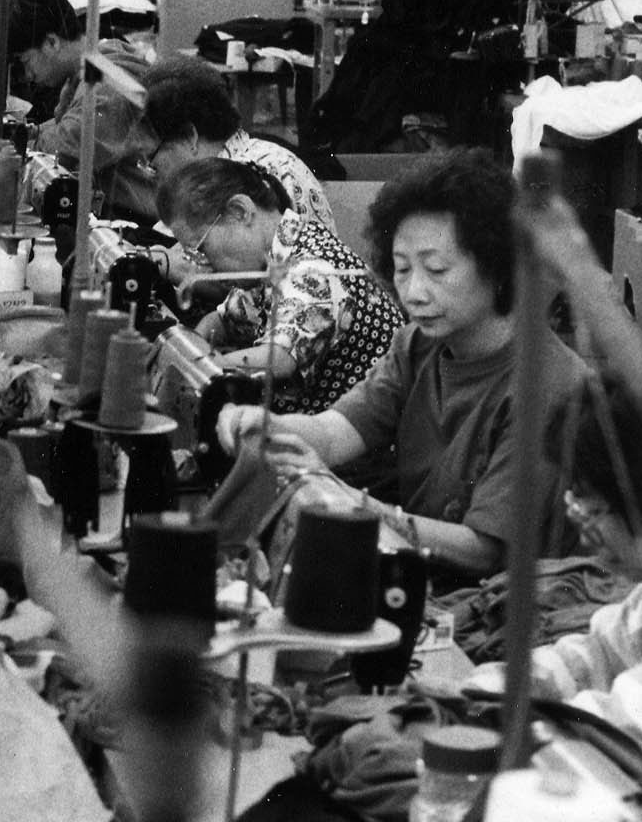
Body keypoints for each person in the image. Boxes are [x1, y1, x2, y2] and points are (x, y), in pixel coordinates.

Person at [216, 151, 587, 577]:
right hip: (433, 576)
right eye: (402, 270)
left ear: (498, 266)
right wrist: (267, 427)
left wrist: (357, 505)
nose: (413, 292)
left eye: (435, 270)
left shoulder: (548, 388)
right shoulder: (420, 343)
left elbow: (482, 550)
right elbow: (336, 434)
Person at [160, 155, 403, 413]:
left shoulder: (313, 268)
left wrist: (189, 364)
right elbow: (222, 321)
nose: (203, 263)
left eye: (200, 248)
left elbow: (278, 359)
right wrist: (194, 343)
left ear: (239, 211)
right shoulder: (271, 262)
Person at [141, 63, 332, 226]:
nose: (150, 172)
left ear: (191, 137)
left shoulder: (254, 176)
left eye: (152, 158)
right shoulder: (229, 168)